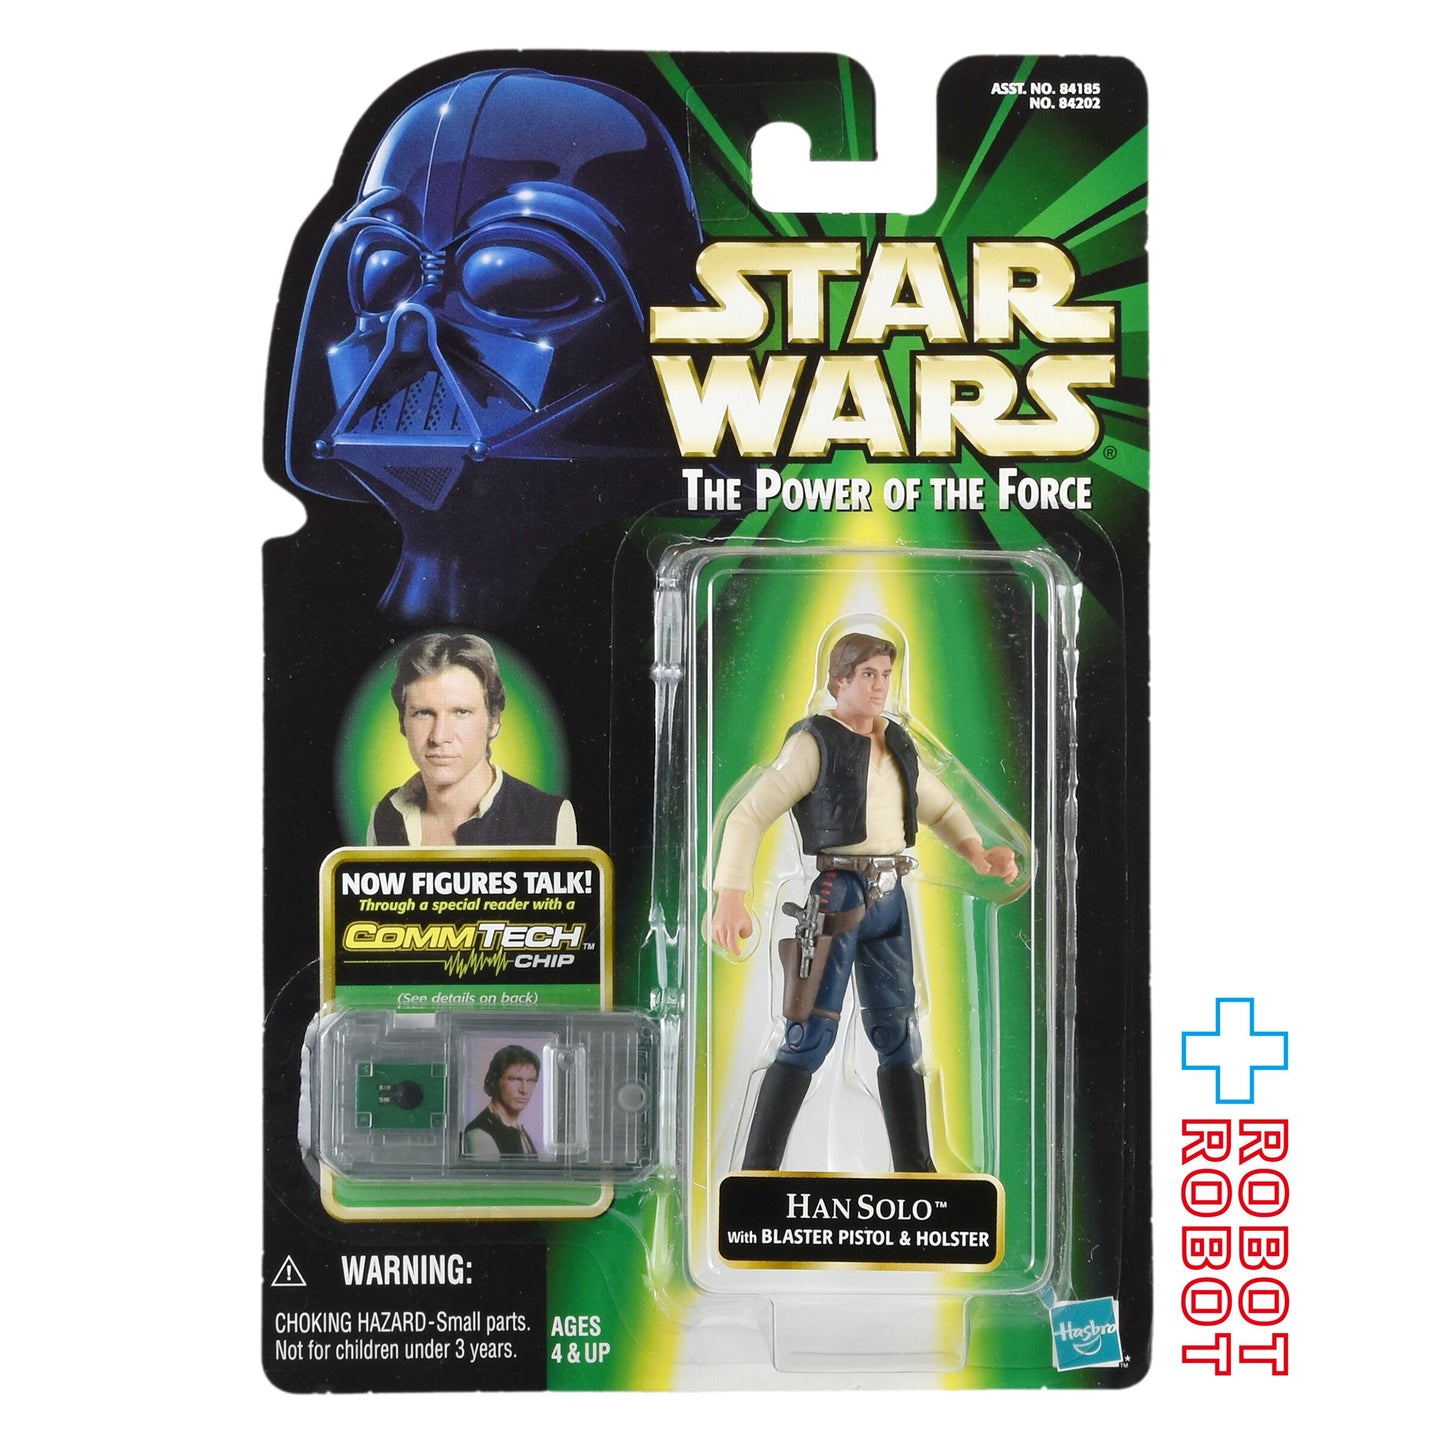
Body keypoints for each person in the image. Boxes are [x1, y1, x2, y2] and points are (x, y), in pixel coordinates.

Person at [710, 632, 1021, 1173]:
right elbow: (749, 814)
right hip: (839, 895)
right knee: (808, 1035)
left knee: (897, 1036)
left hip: (890, 896)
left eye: (885, 675)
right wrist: (731, 895)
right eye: (868, 675)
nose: (880, 686)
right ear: (839, 681)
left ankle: (916, 1171)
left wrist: (976, 851)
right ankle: (758, 1171)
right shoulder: (815, 743)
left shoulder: (897, 742)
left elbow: (940, 807)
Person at [368, 633, 576, 846]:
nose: (439, 737)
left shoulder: (550, 820)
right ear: (402, 722)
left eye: (461, 712)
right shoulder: (383, 816)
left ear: (494, 722)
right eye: (424, 713)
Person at [461, 1045, 542, 1159]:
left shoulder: (518, 1129)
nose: (524, 1090)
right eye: (515, 1079)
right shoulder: (480, 1136)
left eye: (530, 1081)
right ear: (495, 1082)